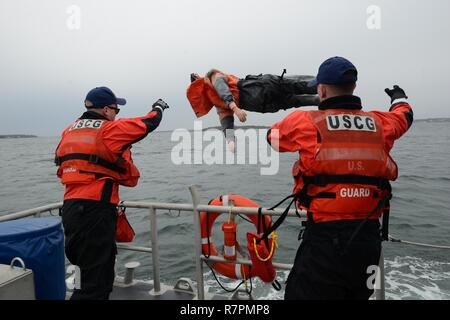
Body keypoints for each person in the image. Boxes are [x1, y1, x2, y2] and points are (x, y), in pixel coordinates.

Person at [266, 57, 413, 299]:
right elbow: (404, 116)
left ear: (321, 90)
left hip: (324, 239)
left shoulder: (305, 122)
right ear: (353, 87)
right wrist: (398, 97)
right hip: (368, 241)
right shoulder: (380, 123)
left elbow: (271, 138)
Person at [55, 87, 169, 299]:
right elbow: (148, 123)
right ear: (106, 109)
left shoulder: (69, 131)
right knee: (95, 286)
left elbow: (63, 168)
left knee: (84, 276)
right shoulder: (108, 130)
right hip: (94, 212)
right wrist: (158, 107)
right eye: (116, 109)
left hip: (71, 212)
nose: (117, 114)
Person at [187, 69, 319, 147]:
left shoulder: (213, 77)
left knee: (299, 86)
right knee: (298, 96)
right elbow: (226, 123)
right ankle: (326, 97)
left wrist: (234, 108)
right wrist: (230, 140)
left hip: (260, 90)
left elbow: (222, 89)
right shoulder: (219, 104)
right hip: (264, 100)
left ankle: (328, 84)